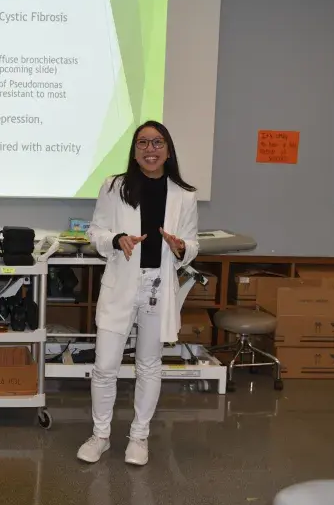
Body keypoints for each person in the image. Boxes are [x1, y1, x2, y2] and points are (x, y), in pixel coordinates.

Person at [77, 120, 199, 466]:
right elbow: (96, 231)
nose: (150, 149)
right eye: (143, 143)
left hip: (157, 286)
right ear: (134, 150)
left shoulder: (184, 195)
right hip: (121, 285)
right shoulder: (114, 187)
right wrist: (116, 240)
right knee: (104, 366)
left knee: (149, 365)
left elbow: (192, 243)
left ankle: (139, 437)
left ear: (168, 150)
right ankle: (100, 435)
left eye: (157, 142)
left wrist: (180, 247)